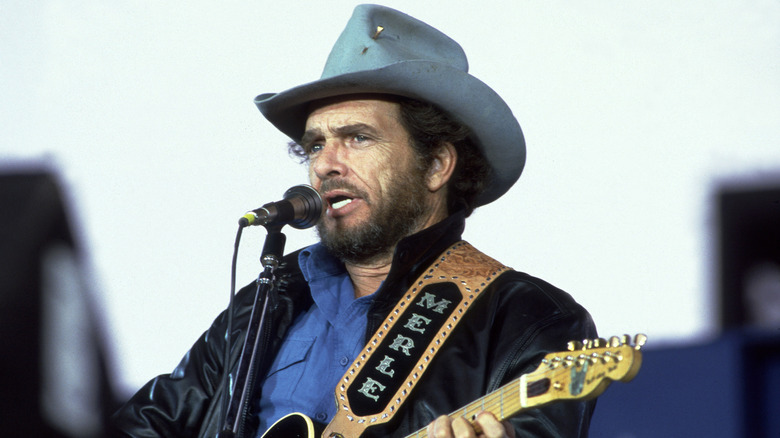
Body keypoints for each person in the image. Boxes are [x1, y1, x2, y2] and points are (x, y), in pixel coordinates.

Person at [111, 5, 597, 438]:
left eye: (358, 138)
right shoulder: (269, 301)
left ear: (436, 166)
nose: (325, 164)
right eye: (316, 144)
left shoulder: (531, 323)